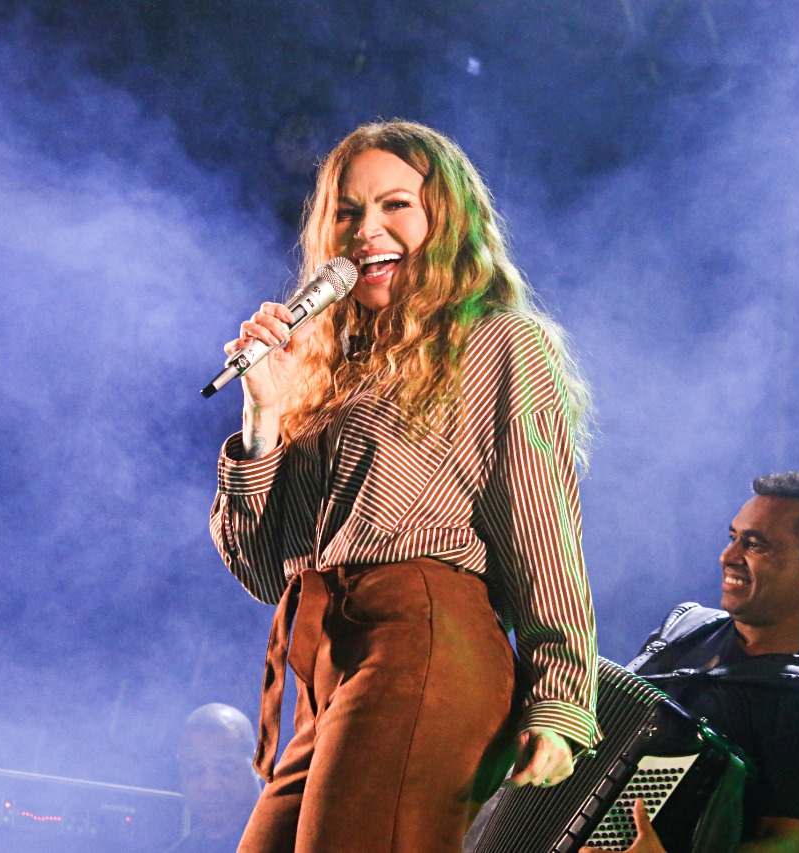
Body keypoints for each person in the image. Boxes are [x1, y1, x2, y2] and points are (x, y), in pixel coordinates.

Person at [208, 120, 599, 852]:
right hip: (328, 661)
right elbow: (266, 574)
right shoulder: (321, 373)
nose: (368, 231)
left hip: (425, 639)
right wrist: (262, 413)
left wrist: (560, 697)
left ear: (443, 221)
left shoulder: (496, 341)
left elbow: (542, 528)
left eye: (396, 206)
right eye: (349, 212)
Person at [584, 471, 799, 853]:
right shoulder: (684, 627)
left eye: (755, 545)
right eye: (733, 538)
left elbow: (789, 844)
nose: (728, 556)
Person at [165, 703, 263, 853]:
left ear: (259, 763)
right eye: (195, 770)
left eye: (226, 769)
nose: (210, 786)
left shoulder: (296, 839)